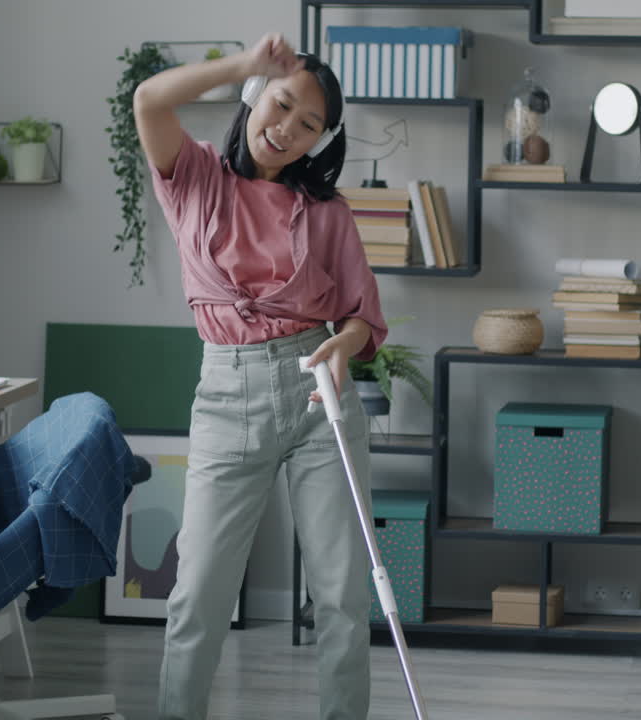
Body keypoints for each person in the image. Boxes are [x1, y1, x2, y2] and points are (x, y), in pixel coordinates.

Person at [133, 30, 388, 720]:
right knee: (198, 595)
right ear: (253, 96)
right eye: (280, 107)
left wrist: (345, 344)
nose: (287, 132)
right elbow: (150, 98)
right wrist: (244, 61)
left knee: (341, 593)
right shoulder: (194, 178)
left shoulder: (327, 213)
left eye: (308, 127)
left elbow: (362, 316)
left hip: (317, 394)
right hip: (226, 396)